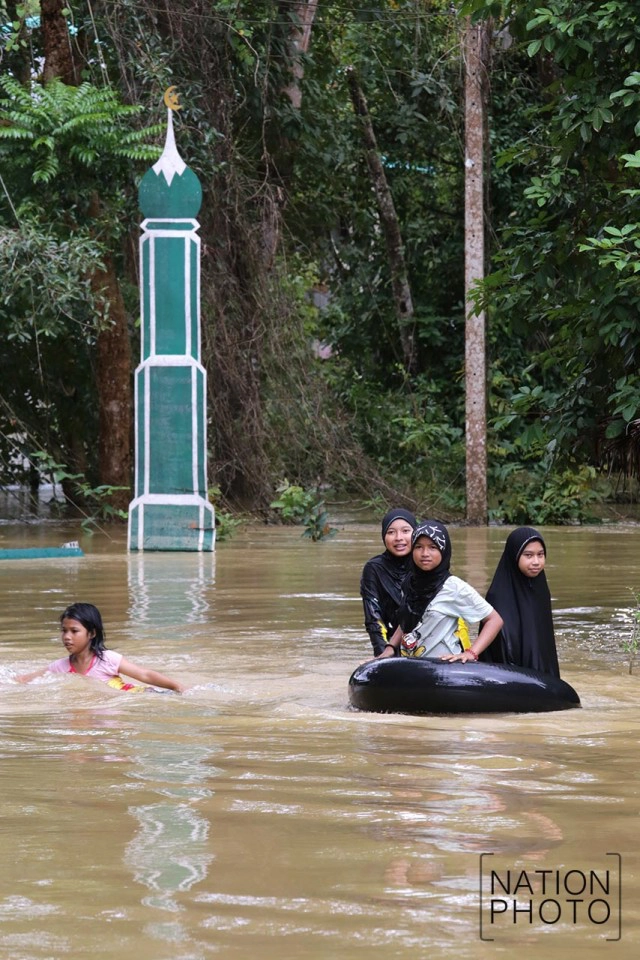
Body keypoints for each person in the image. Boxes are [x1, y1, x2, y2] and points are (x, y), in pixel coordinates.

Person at [377, 520, 503, 662]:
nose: (425, 553)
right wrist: (390, 648)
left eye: (433, 547)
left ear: (443, 550)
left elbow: (494, 620)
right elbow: (407, 620)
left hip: (443, 670)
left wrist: (471, 653)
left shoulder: (453, 586)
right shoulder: (409, 583)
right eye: (418, 547)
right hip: (411, 667)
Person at [17, 602, 186, 693]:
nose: (67, 637)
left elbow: (144, 674)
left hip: (142, 696)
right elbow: (24, 680)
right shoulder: (59, 667)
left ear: (91, 633)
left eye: (74, 631)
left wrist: (177, 687)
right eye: (64, 631)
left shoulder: (108, 659)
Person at [481, 527, 560, 677]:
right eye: (528, 555)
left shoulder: (541, 589)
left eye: (540, 555)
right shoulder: (498, 595)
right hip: (509, 675)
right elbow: (500, 647)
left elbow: (545, 642)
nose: (536, 562)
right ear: (514, 556)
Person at [360, 508, 417, 655]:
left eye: (405, 531)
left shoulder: (426, 563)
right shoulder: (374, 568)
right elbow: (373, 616)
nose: (399, 538)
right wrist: (383, 654)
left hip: (427, 643)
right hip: (390, 646)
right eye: (391, 532)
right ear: (384, 536)